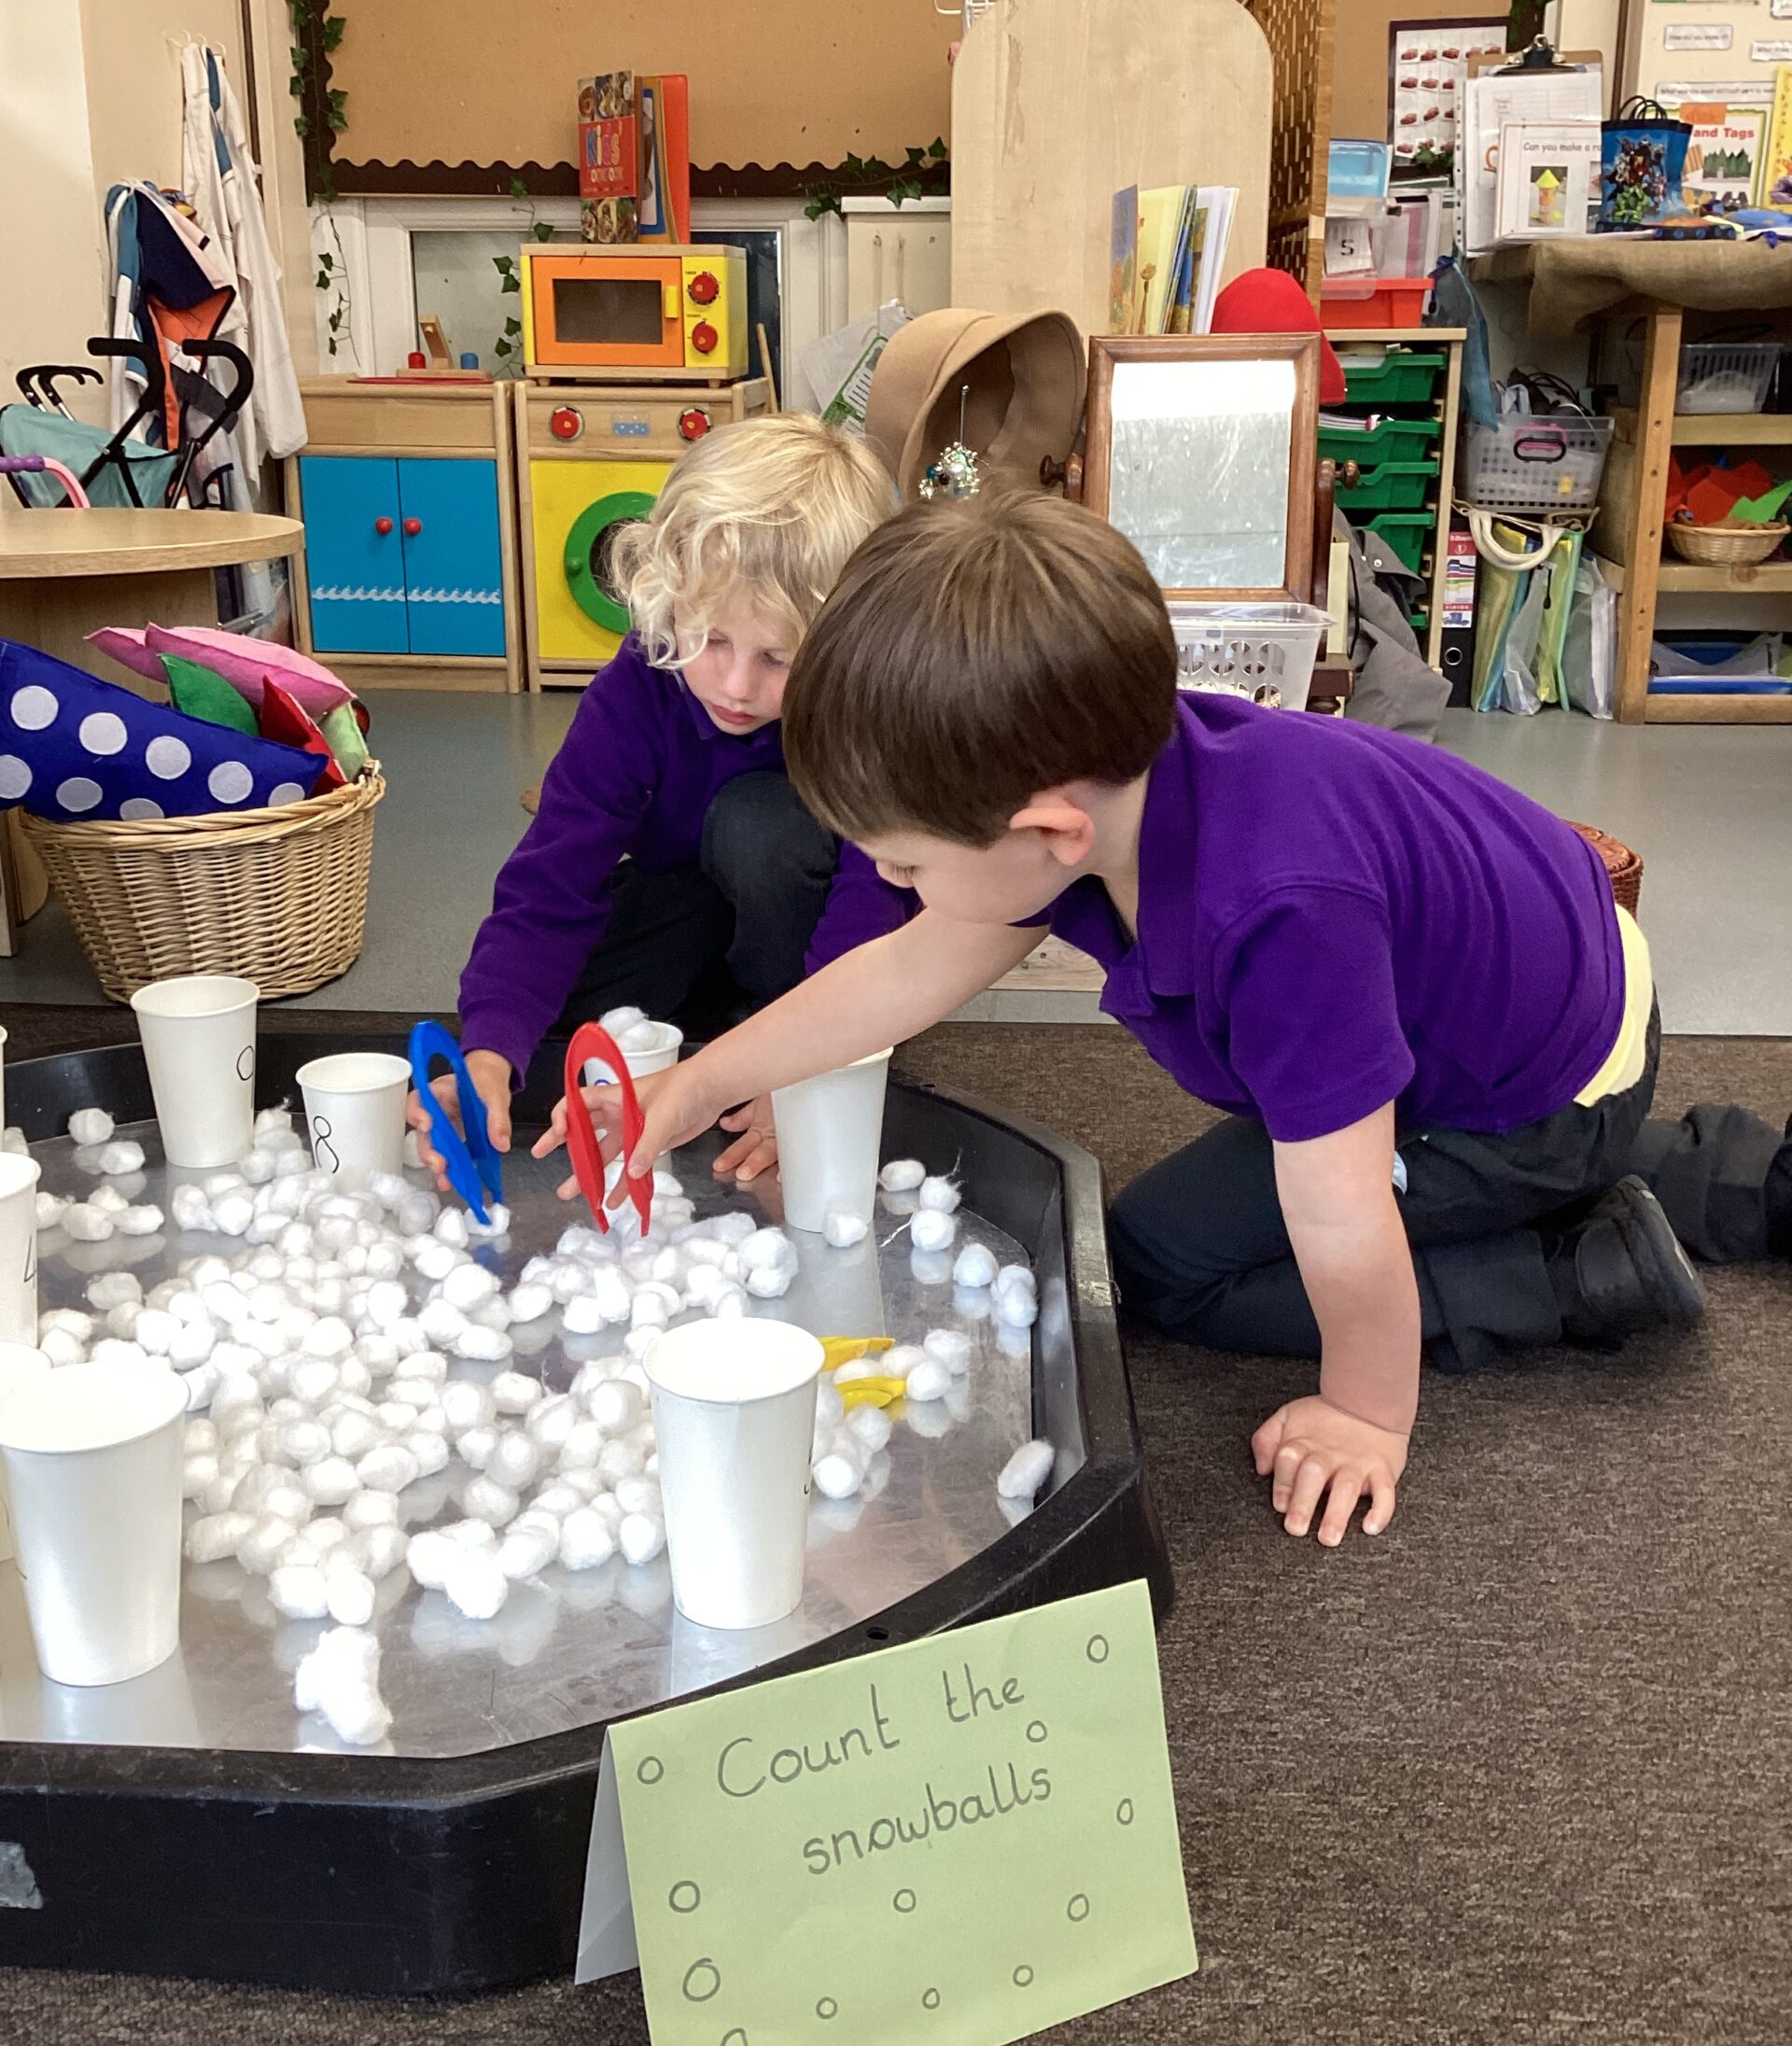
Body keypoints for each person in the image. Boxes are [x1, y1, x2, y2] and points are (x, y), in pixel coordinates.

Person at [541, 488, 1792, 1548]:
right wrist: (697, 1083)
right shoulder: (1108, 783)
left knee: (1175, 1278)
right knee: (1152, 1245)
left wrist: (1366, 1413)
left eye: (906, 864)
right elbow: (905, 972)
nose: (893, 887)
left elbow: (1341, 1215)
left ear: (1046, 833)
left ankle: (1575, 1266)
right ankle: (1690, 1169)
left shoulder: (1281, 916)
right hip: (1519, 993)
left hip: (1533, 1087)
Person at [427, 413, 909, 1181]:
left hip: (806, 920)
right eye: (711, 639)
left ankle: (767, 1019)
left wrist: (805, 1066)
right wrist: (487, 1055)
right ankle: (723, 1022)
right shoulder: (636, 688)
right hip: (691, 902)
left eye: (780, 659)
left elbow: (871, 906)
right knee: (548, 1017)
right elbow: (552, 883)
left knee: (758, 827)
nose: (737, 686)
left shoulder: (864, 711)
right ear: (667, 598)